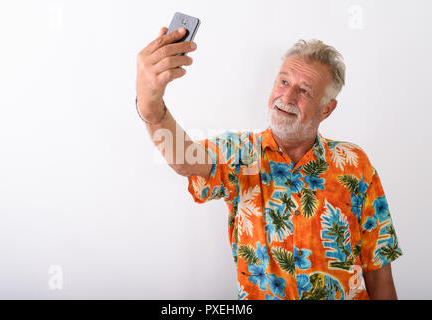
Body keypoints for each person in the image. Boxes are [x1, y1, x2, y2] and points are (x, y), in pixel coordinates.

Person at [135, 26, 403, 300]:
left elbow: (379, 272)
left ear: (326, 108)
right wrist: (150, 103)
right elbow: (184, 160)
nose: (286, 98)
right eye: (284, 82)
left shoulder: (355, 164)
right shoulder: (241, 152)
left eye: (305, 91)